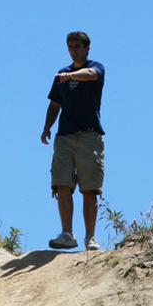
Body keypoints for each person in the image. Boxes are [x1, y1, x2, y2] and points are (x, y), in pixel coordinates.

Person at [41, 31, 105, 250]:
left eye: (77, 46)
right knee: (62, 184)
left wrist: (71, 76)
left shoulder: (96, 67)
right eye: (70, 47)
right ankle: (67, 234)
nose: (73, 50)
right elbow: (54, 104)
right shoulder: (61, 75)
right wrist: (46, 127)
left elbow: (92, 74)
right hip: (65, 136)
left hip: (89, 136)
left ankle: (90, 237)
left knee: (90, 188)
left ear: (87, 48)